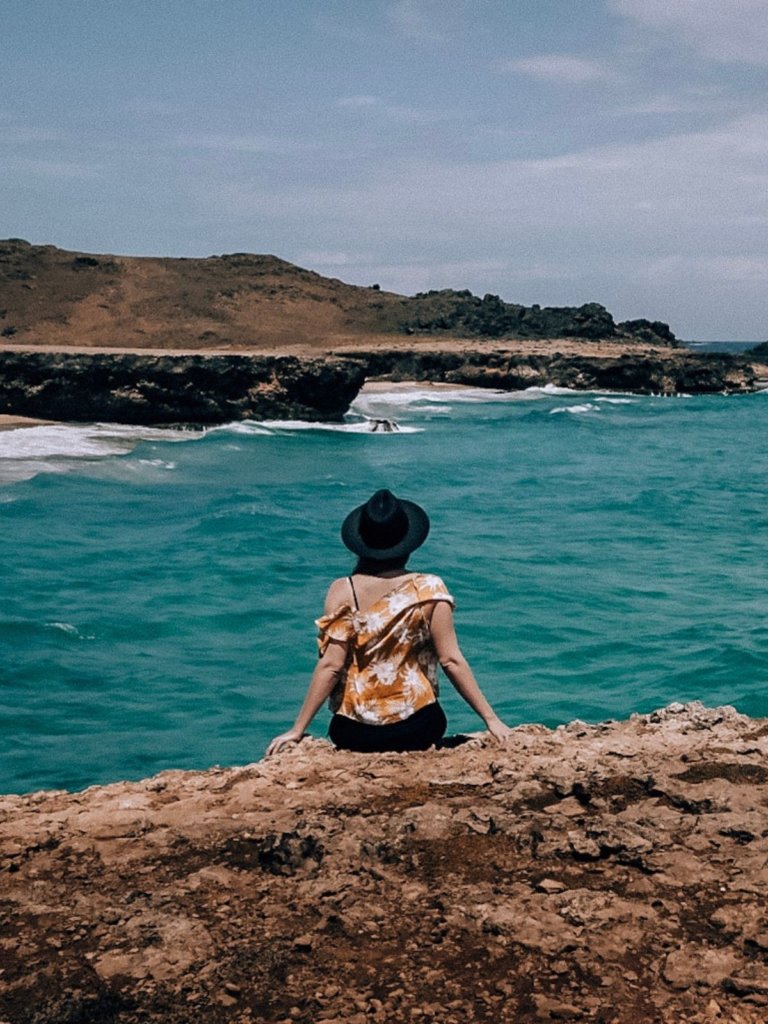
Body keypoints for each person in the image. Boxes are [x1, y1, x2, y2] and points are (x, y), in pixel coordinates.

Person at [266, 489, 512, 756]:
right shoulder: (429, 589)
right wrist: (491, 720)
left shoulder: (342, 590)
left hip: (354, 733)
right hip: (417, 728)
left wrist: (297, 729)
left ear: (362, 544)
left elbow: (331, 666)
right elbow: (451, 660)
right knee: (428, 713)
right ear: (408, 543)